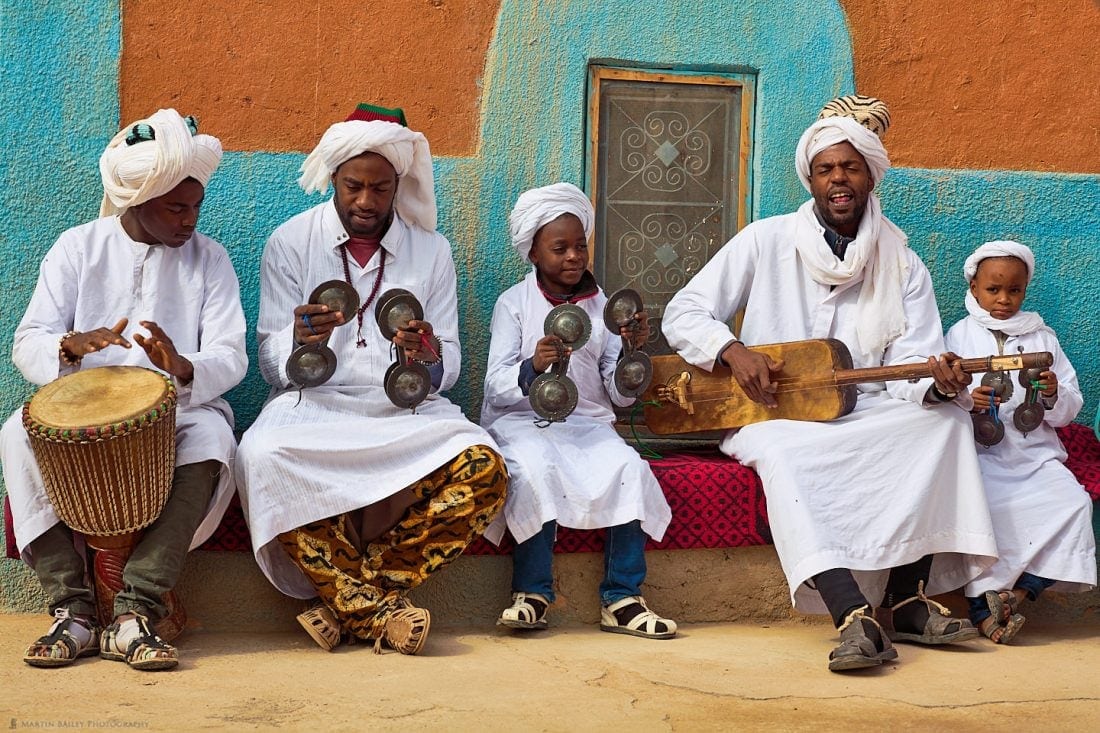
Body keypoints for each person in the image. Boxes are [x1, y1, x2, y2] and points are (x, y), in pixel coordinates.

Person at [661, 95, 998, 672]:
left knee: (943, 423)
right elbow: (683, 311)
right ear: (811, 178)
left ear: (870, 175)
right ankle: (851, 614)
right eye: (826, 169)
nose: (838, 179)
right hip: (772, 411)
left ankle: (907, 600)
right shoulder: (765, 240)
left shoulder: (902, 263)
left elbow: (912, 364)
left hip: (864, 405)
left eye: (850, 167)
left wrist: (938, 385)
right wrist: (731, 349)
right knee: (787, 453)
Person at [235, 109, 507, 655]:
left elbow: (448, 365)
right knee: (261, 455)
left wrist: (424, 352)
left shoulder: (433, 250)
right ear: (333, 178)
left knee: (485, 468)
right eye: (354, 186)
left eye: (380, 189)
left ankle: (349, 601)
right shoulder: (290, 242)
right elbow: (268, 362)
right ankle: (376, 611)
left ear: (397, 186)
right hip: (313, 407)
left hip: (404, 414)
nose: (366, 201)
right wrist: (298, 340)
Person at [1, 109, 247, 670]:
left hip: (177, 407)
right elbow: (26, 341)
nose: (190, 220)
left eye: (195, 206)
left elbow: (232, 355)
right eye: (175, 207)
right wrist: (68, 346)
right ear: (137, 201)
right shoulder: (77, 247)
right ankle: (73, 610)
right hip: (80, 406)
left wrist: (184, 365)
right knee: (15, 435)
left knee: (212, 439)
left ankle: (136, 610)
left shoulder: (210, 258)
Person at [481, 183, 676, 638]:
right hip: (523, 422)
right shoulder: (513, 304)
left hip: (587, 425)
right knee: (535, 469)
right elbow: (494, 384)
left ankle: (622, 597)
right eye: (559, 248)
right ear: (532, 253)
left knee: (628, 467)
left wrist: (631, 354)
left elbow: (618, 394)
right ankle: (532, 593)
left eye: (579, 246)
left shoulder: (605, 308)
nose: (573, 257)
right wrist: (532, 366)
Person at [945, 240, 1096, 643]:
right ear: (974, 287)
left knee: (1074, 505)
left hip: (1036, 457)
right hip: (982, 458)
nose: (1004, 300)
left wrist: (1050, 393)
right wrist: (968, 401)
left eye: (1014, 291)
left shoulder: (1042, 337)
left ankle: (1016, 594)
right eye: (993, 290)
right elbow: (944, 401)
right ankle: (984, 608)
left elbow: (1068, 409)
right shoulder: (958, 336)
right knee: (988, 514)